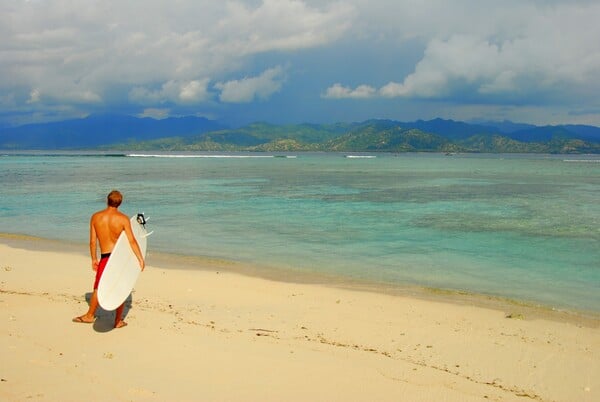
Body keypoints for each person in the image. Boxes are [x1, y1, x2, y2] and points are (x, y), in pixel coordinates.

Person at [72, 190, 145, 328]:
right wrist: (140, 258)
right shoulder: (123, 219)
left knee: (98, 287)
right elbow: (132, 241)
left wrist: (94, 258)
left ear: (107, 201)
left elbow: (93, 241)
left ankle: (89, 316)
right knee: (121, 287)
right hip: (118, 258)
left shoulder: (96, 217)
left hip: (105, 257)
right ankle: (117, 321)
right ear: (120, 203)